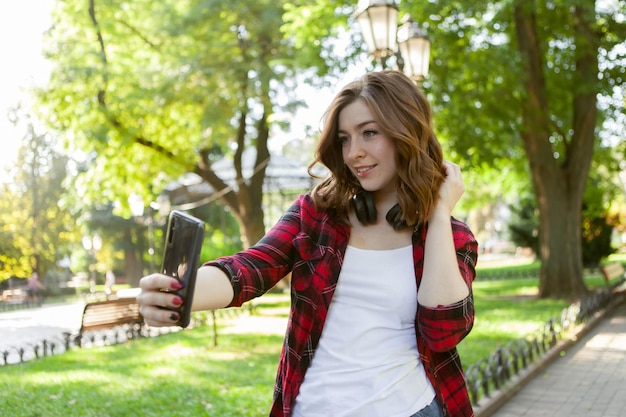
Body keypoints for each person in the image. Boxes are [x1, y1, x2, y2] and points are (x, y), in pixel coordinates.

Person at [138, 70, 478, 417]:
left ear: (408, 133)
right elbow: (249, 269)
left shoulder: (452, 237)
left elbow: (443, 331)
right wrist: (183, 292)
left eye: (369, 133)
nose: (353, 153)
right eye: (344, 139)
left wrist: (437, 213)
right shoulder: (316, 216)